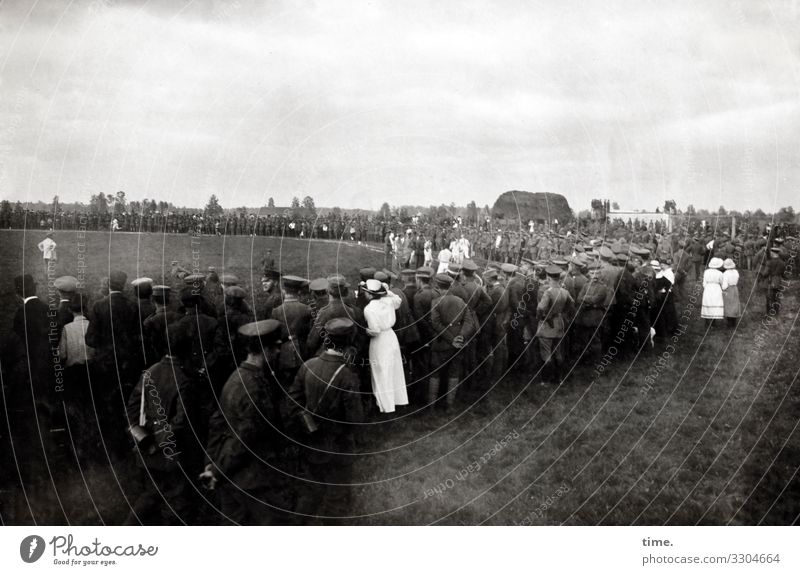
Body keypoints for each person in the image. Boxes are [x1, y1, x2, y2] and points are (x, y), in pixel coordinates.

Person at [201, 319, 295, 525]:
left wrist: (211, 463)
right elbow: (245, 439)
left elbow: (217, 422)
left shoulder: (236, 377)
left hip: (231, 477)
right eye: (275, 348)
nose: (278, 353)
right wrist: (217, 470)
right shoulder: (254, 387)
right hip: (254, 481)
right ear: (264, 350)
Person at [124, 323, 209, 525]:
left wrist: (145, 440)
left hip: (147, 451)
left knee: (150, 496)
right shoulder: (184, 380)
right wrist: (159, 444)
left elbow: (131, 411)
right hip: (172, 455)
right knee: (179, 506)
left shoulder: (149, 373)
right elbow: (182, 422)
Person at [288, 318, 364, 524]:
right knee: (337, 495)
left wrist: (308, 424)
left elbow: (292, 402)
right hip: (339, 446)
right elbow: (355, 419)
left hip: (311, 442)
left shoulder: (308, 365)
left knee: (312, 489)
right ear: (349, 343)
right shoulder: (347, 376)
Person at [429, 274, 476, 409]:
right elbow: (469, 322)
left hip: (441, 343)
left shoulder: (436, 302)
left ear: (437, 286)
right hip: (458, 345)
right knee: (454, 372)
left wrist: (451, 339)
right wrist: (460, 336)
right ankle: (449, 405)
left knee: (435, 373)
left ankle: (431, 406)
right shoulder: (461, 301)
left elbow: (436, 324)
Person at [362, 278, 407, 413]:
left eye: (366, 292)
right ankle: (398, 400)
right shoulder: (388, 301)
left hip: (380, 340)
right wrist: (386, 292)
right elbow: (398, 300)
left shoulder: (369, 309)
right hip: (391, 337)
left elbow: (375, 331)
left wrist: (366, 331)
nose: (365, 294)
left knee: (381, 371)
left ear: (370, 294)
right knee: (394, 369)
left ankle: (386, 405)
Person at [535, 265, 574, 385]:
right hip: (559, 323)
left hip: (547, 324)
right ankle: (558, 378)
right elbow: (571, 303)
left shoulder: (548, 292)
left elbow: (540, 307)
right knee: (558, 352)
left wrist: (541, 317)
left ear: (548, 277)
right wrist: (563, 313)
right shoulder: (564, 291)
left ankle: (545, 380)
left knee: (546, 352)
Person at [701, 257, 725, 326]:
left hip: (708, 288)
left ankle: (707, 321)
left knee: (708, 303)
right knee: (715, 303)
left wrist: (706, 288)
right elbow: (721, 282)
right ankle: (713, 322)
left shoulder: (706, 272)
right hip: (716, 288)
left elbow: (704, 283)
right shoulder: (720, 273)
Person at [721, 258, 741, 328]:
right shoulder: (736, 272)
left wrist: (723, 289)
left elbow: (724, 284)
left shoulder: (726, 273)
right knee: (735, 304)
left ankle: (729, 323)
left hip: (728, 289)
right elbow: (737, 280)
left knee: (728, 305)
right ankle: (734, 322)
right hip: (735, 288)